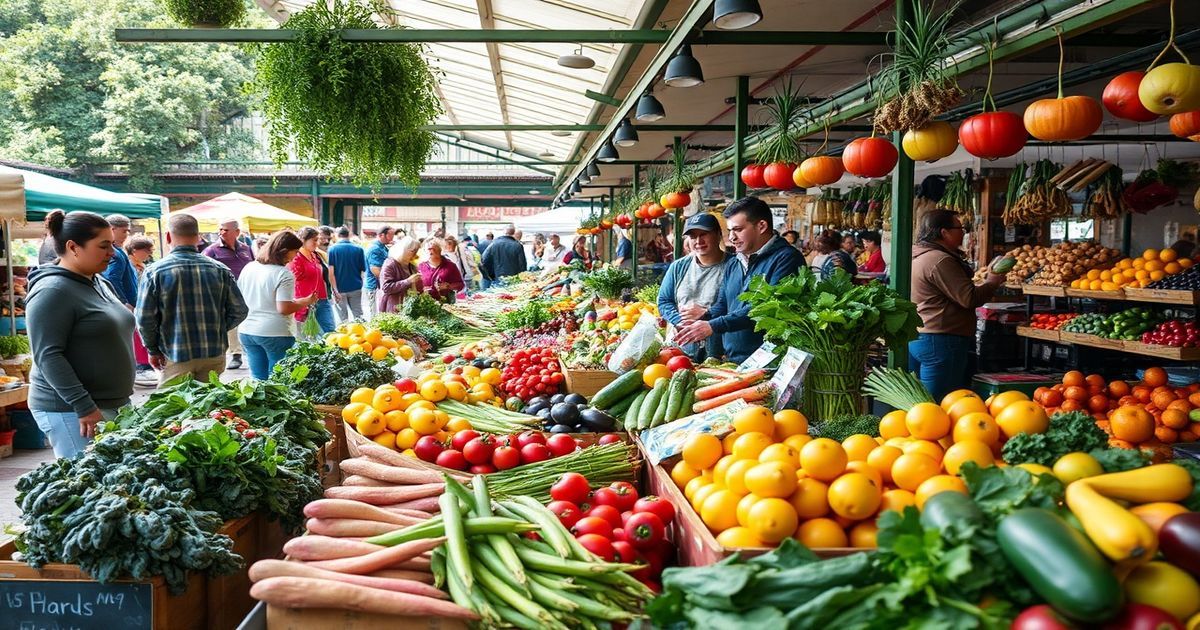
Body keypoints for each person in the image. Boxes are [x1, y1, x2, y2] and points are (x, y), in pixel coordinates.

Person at [27, 210, 134, 457]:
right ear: (73, 247)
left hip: (111, 404)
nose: (113, 253)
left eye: (113, 245)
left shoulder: (98, 281)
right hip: (73, 410)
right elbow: (47, 355)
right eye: (104, 246)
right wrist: (83, 406)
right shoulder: (52, 290)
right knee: (87, 478)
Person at [675, 197, 806, 363]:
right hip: (733, 359)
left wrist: (713, 325)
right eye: (730, 230)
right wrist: (704, 317)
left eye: (737, 229)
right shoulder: (734, 262)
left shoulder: (787, 259)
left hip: (770, 360)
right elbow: (723, 303)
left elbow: (765, 308)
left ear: (761, 226)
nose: (731, 237)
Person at [136, 213, 248, 386]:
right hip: (213, 353)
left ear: (168, 237)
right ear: (198, 237)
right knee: (207, 400)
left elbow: (145, 318)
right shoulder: (220, 269)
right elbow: (240, 310)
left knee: (172, 402)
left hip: (175, 353)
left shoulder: (155, 272)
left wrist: (152, 349)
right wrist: (217, 328)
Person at [910, 209, 1006, 401]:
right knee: (939, 403)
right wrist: (992, 282)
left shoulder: (918, 255)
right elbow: (968, 298)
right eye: (960, 228)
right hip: (941, 339)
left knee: (920, 403)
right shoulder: (940, 260)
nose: (963, 232)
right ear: (944, 232)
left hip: (922, 335)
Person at [238, 230, 317, 380]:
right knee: (278, 380)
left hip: (247, 331)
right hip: (274, 333)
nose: (296, 256)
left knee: (257, 380)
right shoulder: (283, 273)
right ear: (284, 251)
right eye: (295, 252)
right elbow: (284, 308)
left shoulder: (249, 267)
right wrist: (306, 301)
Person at [658, 213, 729, 361]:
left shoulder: (733, 265)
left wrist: (706, 314)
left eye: (704, 234)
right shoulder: (678, 267)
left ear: (718, 234)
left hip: (721, 350)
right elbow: (664, 300)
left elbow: (736, 305)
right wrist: (680, 322)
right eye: (692, 236)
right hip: (683, 350)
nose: (698, 241)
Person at [202, 219, 255, 370]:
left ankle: (246, 349)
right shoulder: (211, 250)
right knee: (232, 320)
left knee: (248, 318)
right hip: (225, 292)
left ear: (237, 232)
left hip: (247, 290)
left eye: (225, 229)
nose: (221, 232)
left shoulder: (246, 249)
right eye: (220, 229)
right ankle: (236, 354)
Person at [289, 227, 336, 334]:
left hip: (322, 298)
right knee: (311, 336)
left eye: (318, 239)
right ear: (303, 240)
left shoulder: (315, 255)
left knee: (330, 332)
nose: (317, 243)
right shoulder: (296, 258)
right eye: (314, 240)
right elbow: (293, 281)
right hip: (305, 302)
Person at [125, 236, 157, 386]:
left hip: (139, 304)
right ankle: (141, 367)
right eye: (147, 251)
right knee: (137, 336)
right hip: (132, 305)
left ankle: (144, 365)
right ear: (135, 250)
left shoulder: (140, 266)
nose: (149, 254)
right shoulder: (129, 265)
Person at [328, 226, 367, 322]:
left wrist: (335, 290)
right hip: (355, 286)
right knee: (358, 316)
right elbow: (363, 270)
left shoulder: (332, 249)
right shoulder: (359, 249)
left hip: (339, 288)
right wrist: (360, 284)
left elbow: (331, 273)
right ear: (349, 235)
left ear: (337, 235)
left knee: (343, 319)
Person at [377, 237, 421, 313]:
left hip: (408, 307)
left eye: (416, 251)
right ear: (403, 249)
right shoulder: (390, 264)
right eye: (413, 251)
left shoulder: (411, 265)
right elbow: (386, 288)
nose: (415, 254)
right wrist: (408, 281)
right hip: (393, 308)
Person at [364, 226, 395, 316]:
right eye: (390, 235)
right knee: (376, 315)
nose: (392, 237)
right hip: (375, 287)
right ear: (382, 235)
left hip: (381, 285)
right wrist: (390, 281)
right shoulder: (375, 249)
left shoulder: (383, 247)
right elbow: (375, 270)